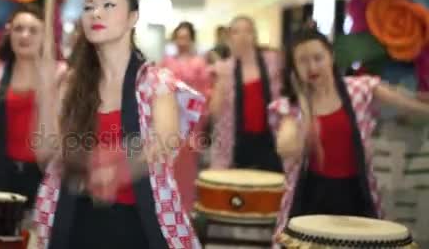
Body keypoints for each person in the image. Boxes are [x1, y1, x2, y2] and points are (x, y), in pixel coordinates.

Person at [33, 0, 205, 249]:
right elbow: (46, 154)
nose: (96, 13)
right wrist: (45, 92)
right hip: (76, 217)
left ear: (132, 18)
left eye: (108, 5)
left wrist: (116, 171)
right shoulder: (71, 82)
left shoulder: (154, 81)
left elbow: (166, 142)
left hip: (136, 221)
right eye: (88, 7)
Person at [268, 26, 429, 244]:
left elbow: (409, 105)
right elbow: (285, 148)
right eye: (303, 61)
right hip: (310, 195)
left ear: (331, 57)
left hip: (356, 192)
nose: (312, 66)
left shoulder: (359, 89)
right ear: (294, 67)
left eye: (318, 57)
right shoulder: (291, 106)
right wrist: (305, 112)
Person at [0, 4, 65, 211]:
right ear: (9, 34)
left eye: (33, 30)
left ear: (45, 37)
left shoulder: (61, 74)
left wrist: (48, 92)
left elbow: (63, 133)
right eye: (18, 29)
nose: (24, 35)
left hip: (45, 174)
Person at [209, 16, 283, 172]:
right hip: (236, 143)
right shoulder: (224, 68)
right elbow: (214, 112)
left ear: (254, 35)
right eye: (237, 32)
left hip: (271, 140)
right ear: (229, 38)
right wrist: (221, 81)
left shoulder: (274, 62)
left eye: (248, 31)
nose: (243, 36)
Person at [161, 21, 211, 214]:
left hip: (192, 122)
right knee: (168, 164)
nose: (182, 41)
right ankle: (167, 208)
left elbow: (204, 93)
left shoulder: (199, 63)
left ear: (191, 39)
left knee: (188, 166)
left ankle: (186, 209)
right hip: (169, 119)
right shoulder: (167, 62)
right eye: (179, 37)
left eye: (185, 37)